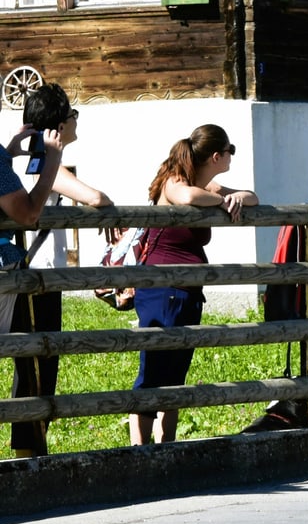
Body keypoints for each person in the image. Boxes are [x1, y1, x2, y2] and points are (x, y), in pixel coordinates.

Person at [129, 124, 258, 445]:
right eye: (231, 151)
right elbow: (187, 197)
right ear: (216, 156)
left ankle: (167, 447)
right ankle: (139, 451)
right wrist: (220, 200)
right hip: (161, 289)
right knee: (153, 372)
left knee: (176, 374)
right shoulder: (176, 182)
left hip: (187, 292)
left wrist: (237, 196)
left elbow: (253, 198)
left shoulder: (208, 185)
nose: (232, 156)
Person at [10, 84, 115, 458]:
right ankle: (30, 451)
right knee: (37, 366)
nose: (76, 120)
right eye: (73, 114)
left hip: (31, 277)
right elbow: (95, 198)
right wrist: (109, 208)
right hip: (34, 280)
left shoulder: (23, 157)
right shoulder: (42, 161)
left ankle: (30, 447)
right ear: (58, 124)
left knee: (32, 363)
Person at [1, 95, 64, 444]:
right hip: (14, 277)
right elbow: (26, 213)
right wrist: (53, 159)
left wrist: (8, 151)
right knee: (35, 365)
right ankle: (28, 453)